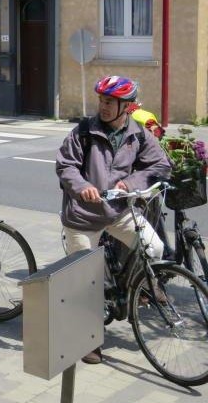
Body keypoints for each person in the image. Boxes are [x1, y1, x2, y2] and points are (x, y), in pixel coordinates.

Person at [57, 75, 171, 365]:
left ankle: (132, 290)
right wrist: (82, 187)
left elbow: (161, 164)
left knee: (154, 248)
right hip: (82, 216)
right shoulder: (84, 131)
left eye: (110, 102)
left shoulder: (139, 134)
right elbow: (65, 165)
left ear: (127, 106)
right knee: (86, 281)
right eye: (102, 101)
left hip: (119, 210)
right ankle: (88, 341)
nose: (104, 107)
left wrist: (131, 183)